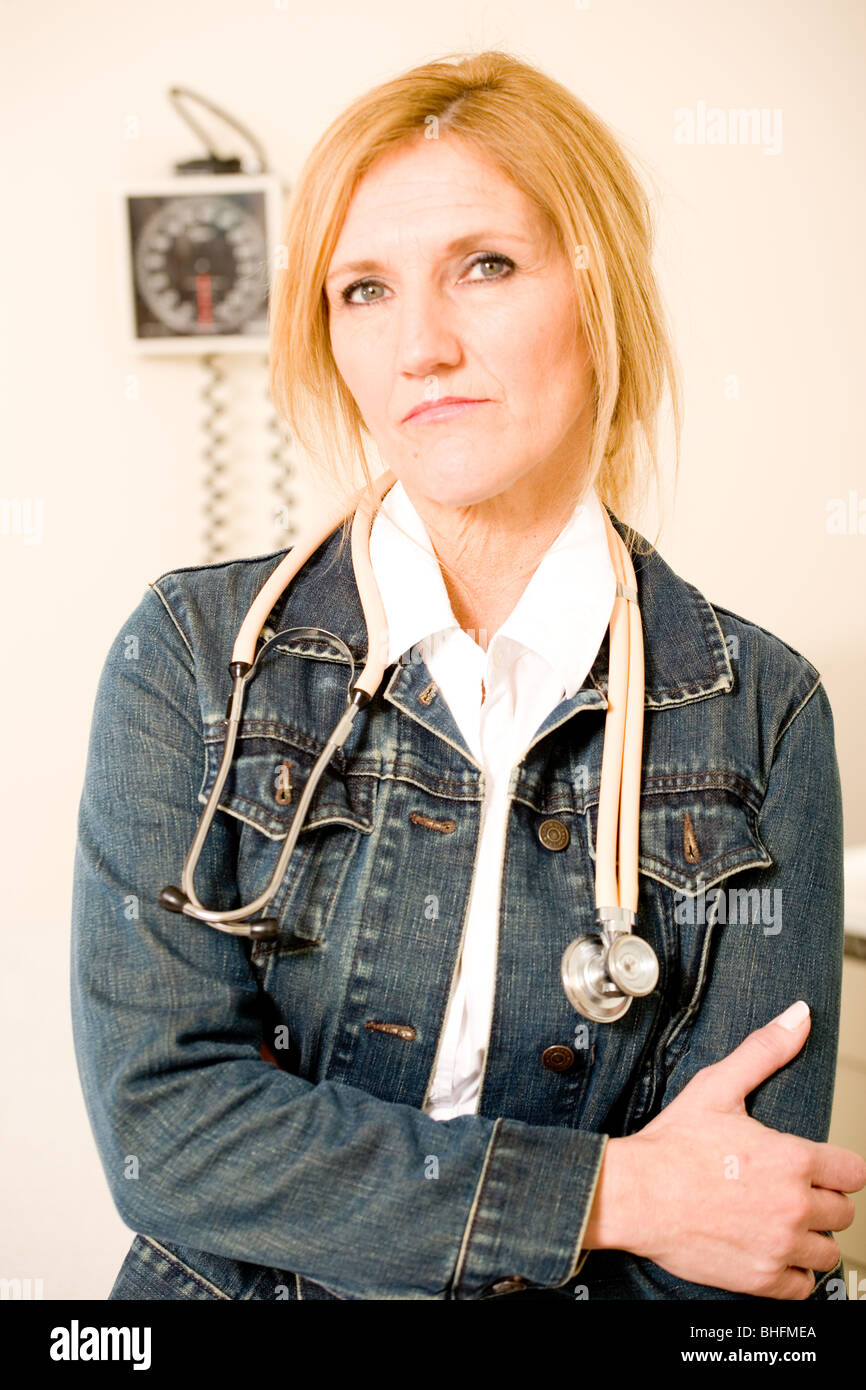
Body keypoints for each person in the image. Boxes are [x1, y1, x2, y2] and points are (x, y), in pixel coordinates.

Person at [71, 49, 866, 1301]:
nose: (420, 346)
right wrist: (610, 1195)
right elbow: (163, 1128)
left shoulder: (758, 711)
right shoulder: (187, 654)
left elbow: (740, 1224)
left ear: (595, 290)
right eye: (364, 290)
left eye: (483, 267)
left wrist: (673, 1209)